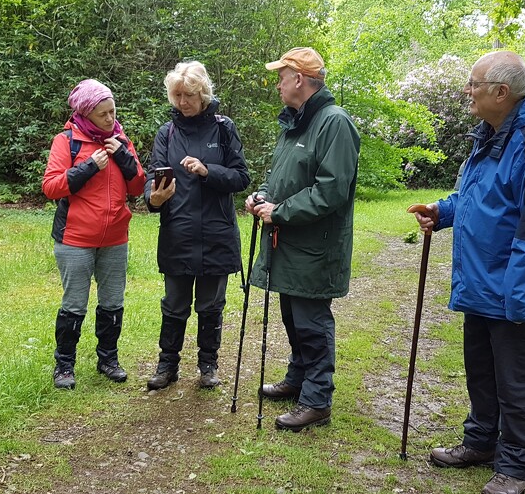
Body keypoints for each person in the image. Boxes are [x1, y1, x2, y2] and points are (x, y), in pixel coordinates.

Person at [411, 51, 525, 494]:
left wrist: (521, 300)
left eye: (474, 84)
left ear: (501, 92)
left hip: (519, 288)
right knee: (481, 368)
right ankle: (481, 441)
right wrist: (442, 212)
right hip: (484, 281)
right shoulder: (492, 134)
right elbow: (479, 197)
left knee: (516, 378)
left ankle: (515, 467)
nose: (468, 91)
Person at [245, 47, 361, 431]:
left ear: (299, 78)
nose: (277, 83)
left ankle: (317, 399)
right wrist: (262, 196)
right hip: (290, 243)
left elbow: (332, 190)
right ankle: (298, 379)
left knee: (312, 321)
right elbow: (283, 178)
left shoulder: (333, 123)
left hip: (316, 246)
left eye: (282, 76)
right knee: (293, 317)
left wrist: (280, 212)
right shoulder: (295, 123)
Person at [143, 61, 251, 391]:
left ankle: (208, 365)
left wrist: (207, 171)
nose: (181, 102)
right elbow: (151, 181)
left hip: (216, 234)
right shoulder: (167, 132)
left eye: (187, 95)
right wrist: (155, 198)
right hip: (178, 233)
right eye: (176, 95)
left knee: (210, 306)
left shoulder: (223, 128)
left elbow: (241, 177)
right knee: (174, 304)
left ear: (202, 94)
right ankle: (167, 365)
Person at [42, 79, 146, 390]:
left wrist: (125, 159)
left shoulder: (120, 140)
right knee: (75, 304)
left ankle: (108, 360)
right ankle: (64, 365)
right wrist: (88, 167)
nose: (111, 119)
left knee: (113, 302)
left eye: (113, 111)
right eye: (103, 114)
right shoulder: (66, 141)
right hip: (75, 239)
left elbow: (138, 188)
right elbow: (51, 187)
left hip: (115, 237)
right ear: (86, 115)